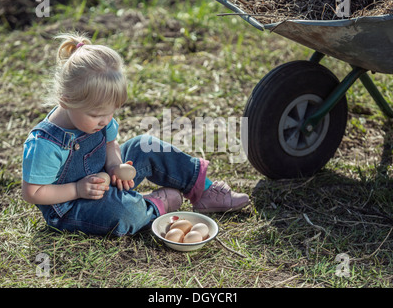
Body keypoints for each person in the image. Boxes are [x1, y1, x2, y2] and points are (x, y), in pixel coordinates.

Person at [21, 32, 249, 236]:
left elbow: (110, 144)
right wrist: (78, 189)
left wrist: (114, 166)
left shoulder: (99, 118)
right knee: (121, 211)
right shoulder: (45, 144)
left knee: (145, 145)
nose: (104, 120)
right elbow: (33, 193)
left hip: (103, 180)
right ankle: (149, 207)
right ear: (66, 101)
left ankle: (203, 189)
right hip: (72, 207)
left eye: (110, 113)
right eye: (97, 114)